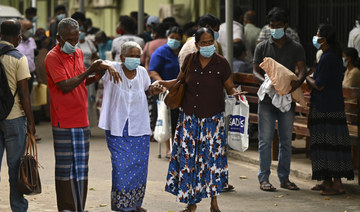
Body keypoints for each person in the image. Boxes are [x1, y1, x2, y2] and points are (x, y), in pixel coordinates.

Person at [160, 27, 243, 212]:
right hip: (189, 117)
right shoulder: (190, 60)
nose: (207, 46)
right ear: (196, 45)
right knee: (189, 161)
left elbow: (229, 87)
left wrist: (235, 93)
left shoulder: (222, 63)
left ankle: (214, 204)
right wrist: (163, 84)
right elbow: (180, 81)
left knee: (212, 161)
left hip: (212, 120)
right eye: (203, 43)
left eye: (210, 42)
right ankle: (192, 204)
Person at [45, 17, 120, 211]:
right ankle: (67, 208)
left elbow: (80, 81)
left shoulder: (78, 53)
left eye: (76, 38)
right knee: (65, 169)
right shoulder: (52, 57)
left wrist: (97, 75)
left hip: (81, 118)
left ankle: (79, 206)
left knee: (80, 169)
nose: (74, 43)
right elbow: (65, 85)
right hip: (64, 120)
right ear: (58, 37)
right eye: (70, 39)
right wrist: (89, 71)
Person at [98, 41, 164, 212]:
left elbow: (145, 90)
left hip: (139, 126)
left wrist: (153, 90)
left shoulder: (142, 72)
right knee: (121, 166)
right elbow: (96, 64)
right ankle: (122, 205)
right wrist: (109, 66)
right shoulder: (112, 68)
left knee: (139, 166)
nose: (135, 59)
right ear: (122, 57)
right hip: (117, 126)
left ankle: (135, 204)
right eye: (131, 56)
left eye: (137, 56)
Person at [253, 7, 306, 192]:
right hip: (267, 99)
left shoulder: (296, 47)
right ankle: (264, 178)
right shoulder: (262, 46)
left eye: (277, 25)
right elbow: (255, 71)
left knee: (285, 140)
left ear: (285, 26)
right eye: (271, 25)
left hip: (287, 100)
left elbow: (302, 70)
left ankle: (284, 178)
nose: (273, 28)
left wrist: (296, 84)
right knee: (265, 140)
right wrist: (267, 82)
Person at [306, 24, 354, 195]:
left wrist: (307, 78)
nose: (315, 38)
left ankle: (337, 184)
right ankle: (326, 180)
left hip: (327, 108)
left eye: (317, 35)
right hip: (329, 106)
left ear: (324, 39)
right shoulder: (331, 56)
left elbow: (319, 85)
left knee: (330, 146)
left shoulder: (328, 58)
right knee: (325, 145)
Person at [0, 19, 35, 212]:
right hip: (14, 118)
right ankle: (18, 208)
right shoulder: (18, 57)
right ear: (17, 37)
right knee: (15, 168)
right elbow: (24, 94)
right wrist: (31, 122)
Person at [149, 26, 183, 158]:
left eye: (177, 38)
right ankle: (169, 148)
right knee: (168, 119)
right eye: (172, 38)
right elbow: (153, 71)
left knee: (178, 119)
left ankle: (179, 145)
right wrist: (162, 84)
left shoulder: (182, 51)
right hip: (165, 90)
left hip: (180, 89)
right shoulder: (161, 52)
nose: (174, 40)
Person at [17, 19, 42, 94]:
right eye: (28, 29)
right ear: (20, 30)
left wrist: (38, 76)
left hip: (30, 75)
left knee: (28, 97)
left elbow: (33, 59)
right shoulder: (15, 42)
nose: (31, 31)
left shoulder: (32, 41)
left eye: (31, 28)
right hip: (18, 76)